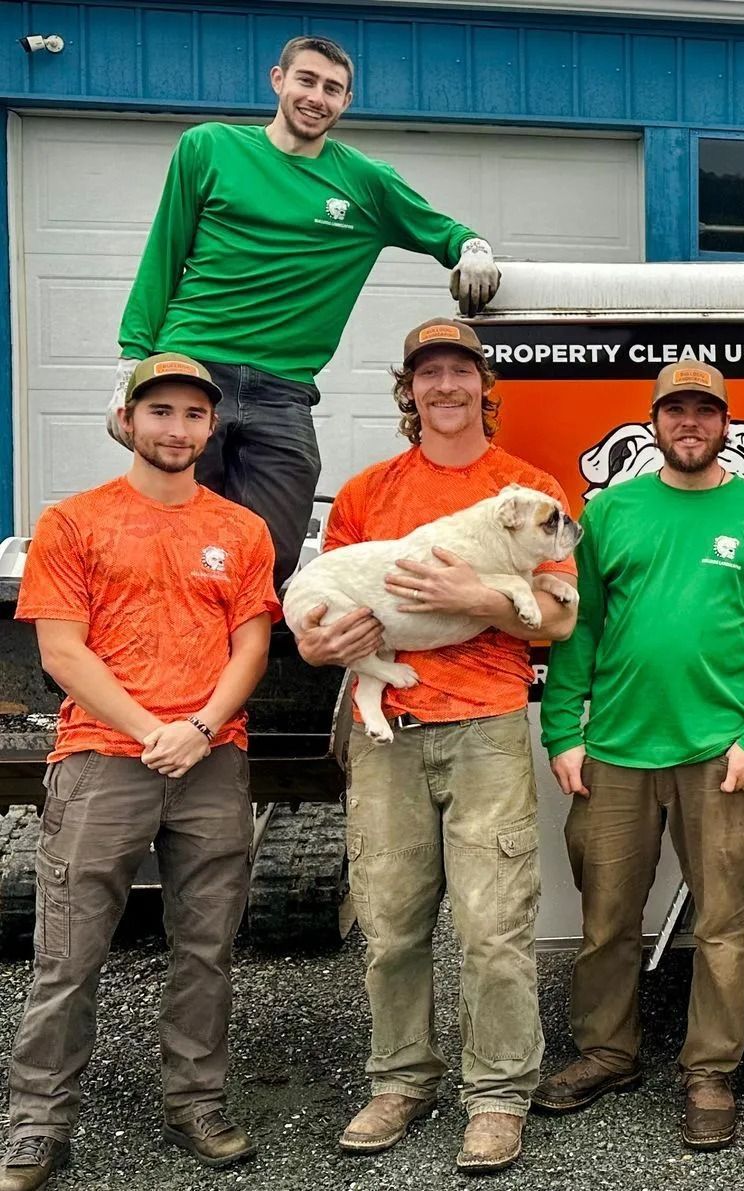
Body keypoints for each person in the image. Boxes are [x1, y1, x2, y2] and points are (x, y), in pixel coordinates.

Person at [294, 319, 576, 1175]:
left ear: (484, 387)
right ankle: (400, 1079)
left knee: (494, 926)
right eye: (428, 374)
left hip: (486, 725)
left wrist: (478, 594)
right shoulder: (368, 493)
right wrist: (320, 644)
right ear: (408, 391)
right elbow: (318, 619)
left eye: (460, 371)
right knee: (389, 921)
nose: (445, 386)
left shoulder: (527, 489)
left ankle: (496, 1095)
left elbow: (559, 618)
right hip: (387, 737)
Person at [3, 355, 278, 1190]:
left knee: (206, 947)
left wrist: (198, 727)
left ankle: (195, 1100)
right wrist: (150, 728)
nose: (176, 428)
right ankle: (37, 1122)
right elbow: (59, 649)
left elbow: (253, 643)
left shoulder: (241, 530)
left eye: (193, 414)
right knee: (68, 952)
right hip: (100, 760)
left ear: (210, 427)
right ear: (127, 420)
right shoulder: (74, 522)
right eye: (159, 411)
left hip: (212, 761)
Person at [113, 34, 503, 590]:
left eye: (333, 89)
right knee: (167, 534)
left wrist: (474, 250)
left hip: (284, 388)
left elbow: (448, 234)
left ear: (346, 102)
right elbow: (163, 252)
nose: (317, 97)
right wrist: (132, 359)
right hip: (191, 368)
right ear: (279, 80)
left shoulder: (365, 183)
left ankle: (247, 667)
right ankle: (161, 663)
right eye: (307, 80)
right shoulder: (209, 148)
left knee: (273, 551)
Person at [535, 361, 744, 1150]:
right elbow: (574, 633)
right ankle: (606, 1051)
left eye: (706, 410)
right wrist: (564, 732)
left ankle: (710, 1073)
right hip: (616, 750)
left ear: (726, 422)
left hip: (717, 757)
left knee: (722, 922)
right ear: (654, 421)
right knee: (606, 918)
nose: (691, 422)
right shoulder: (611, 513)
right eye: (676, 409)